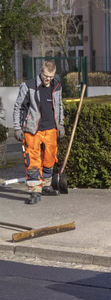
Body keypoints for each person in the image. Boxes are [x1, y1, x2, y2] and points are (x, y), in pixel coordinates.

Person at [13, 60, 65, 204]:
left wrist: (60, 124)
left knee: (50, 158)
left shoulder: (57, 86)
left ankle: (46, 186)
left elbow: (60, 106)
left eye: (51, 76)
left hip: (51, 129)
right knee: (33, 160)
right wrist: (17, 128)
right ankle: (35, 191)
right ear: (41, 72)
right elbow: (18, 107)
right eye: (46, 75)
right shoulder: (28, 86)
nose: (48, 79)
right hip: (32, 130)